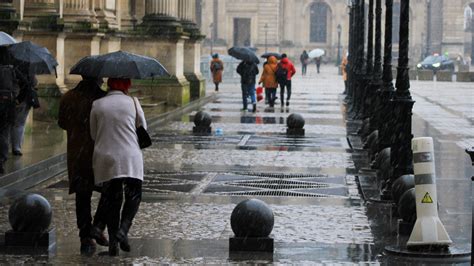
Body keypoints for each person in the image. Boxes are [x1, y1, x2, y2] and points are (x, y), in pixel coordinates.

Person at [90, 78, 146, 256]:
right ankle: (123, 229)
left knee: (112, 201)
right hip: (130, 157)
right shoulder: (133, 103)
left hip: (106, 158)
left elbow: (93, 133)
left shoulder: (98, 104)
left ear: (109, 84)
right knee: (134, 196)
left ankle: (113, 244)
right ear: (127, 85)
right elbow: (143, 128)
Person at [58, 76, 109, 253]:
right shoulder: (103, 99)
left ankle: (85, 237)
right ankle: (98, 226)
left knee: (82, 196)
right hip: (99, 152)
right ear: (96, 79)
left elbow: (62, 123)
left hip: (77, 153)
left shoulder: (68, 97)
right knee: (109, 191)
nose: (103, 80)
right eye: (101, 78)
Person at [10, 70, 39, 156]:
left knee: (10, 124)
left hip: (13, 98)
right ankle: (16, 147)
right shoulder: (29, 68)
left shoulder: (11, 67)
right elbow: (34, 82)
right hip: (25, 99)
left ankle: (10, 146)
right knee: (20, 124)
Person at [0, 65, 20, 174]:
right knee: (4, 132)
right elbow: (16, 86)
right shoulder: (10, 69)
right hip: (7, 105)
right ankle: (2, 159)